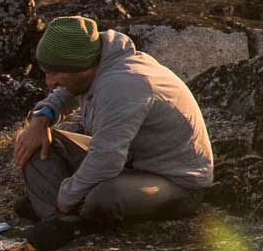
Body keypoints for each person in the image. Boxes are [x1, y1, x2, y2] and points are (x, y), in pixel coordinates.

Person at [12, 15, 213, 238]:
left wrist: (67, 196)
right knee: (35, 142)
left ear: (81, 67)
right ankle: (62, 219)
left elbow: (107, 159)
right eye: (46, 72)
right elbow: (65, 94)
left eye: (55, 73)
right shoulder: (95, 62)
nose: (49, 81)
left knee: (103, 197)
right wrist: (41, 120)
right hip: (130, 163)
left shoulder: (123, 84)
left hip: (176, 183)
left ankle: (60, 218)